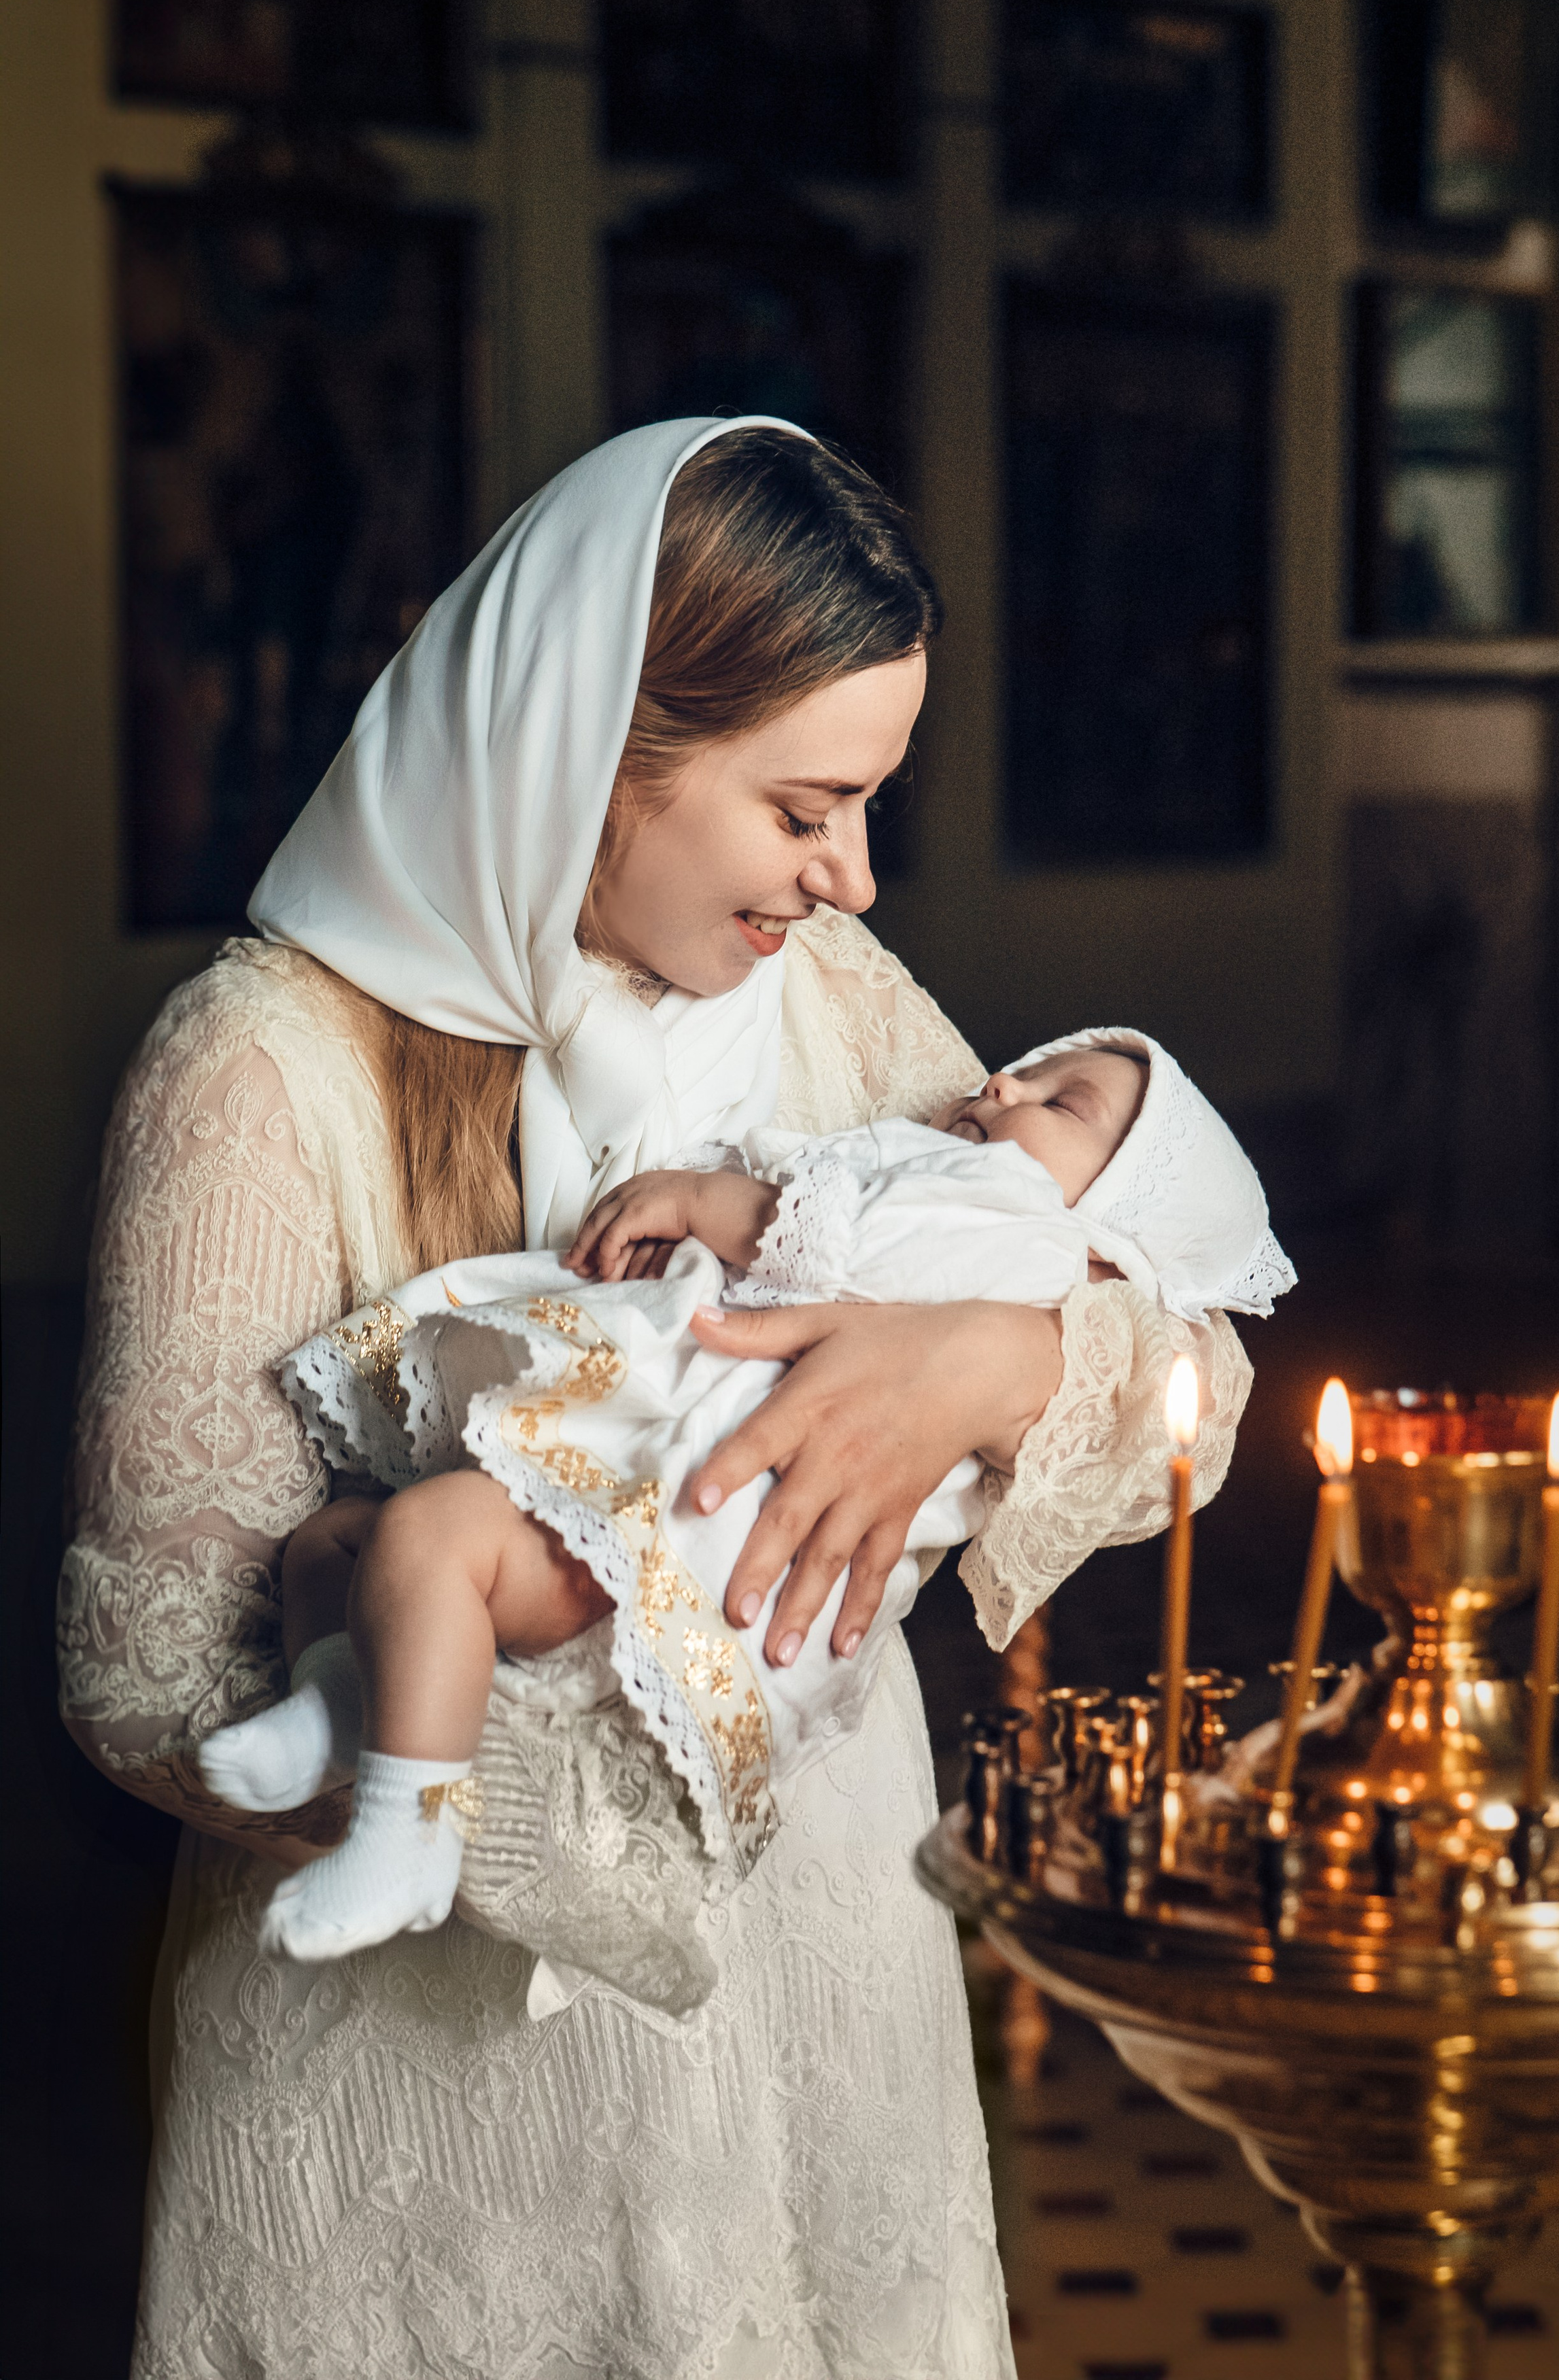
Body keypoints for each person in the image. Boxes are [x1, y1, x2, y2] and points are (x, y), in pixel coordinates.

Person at [60, 417, 1273, 2380]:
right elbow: (142, 1675)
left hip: (826, 2007)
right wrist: (534, 1729)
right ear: (591, 748)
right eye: (804, 807)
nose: (852, 875)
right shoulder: (258, 1069)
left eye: (871, 805)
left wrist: (984, 1364)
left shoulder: (830, 1005)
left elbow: (1197, 1355)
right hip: (430, 2100)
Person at [199, 1033, 1290, 1965]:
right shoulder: (985, 1187)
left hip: (691, 1531)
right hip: (654, 1484)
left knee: (426, 1542)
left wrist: (709, 1200)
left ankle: (409, 1830)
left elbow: (850, 1241)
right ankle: (353, 1711)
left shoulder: (1022, 1228)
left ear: (1117, 1229)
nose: (1003, 1087)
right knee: (338, 1551)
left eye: (1063, 1105)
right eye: (1020, 1074)